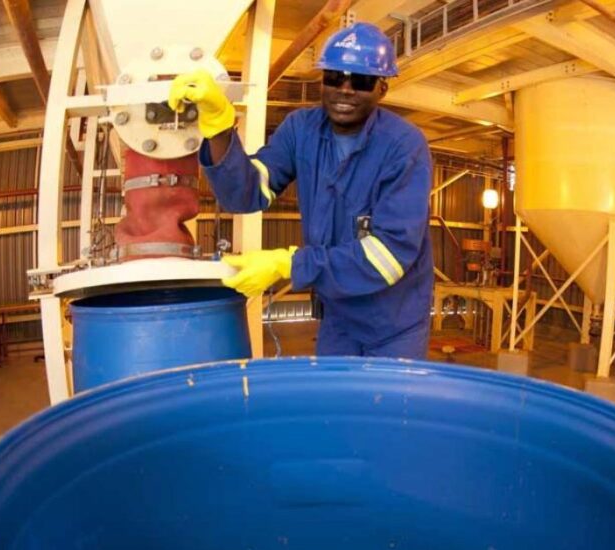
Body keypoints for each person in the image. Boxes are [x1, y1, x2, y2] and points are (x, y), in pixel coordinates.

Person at [168, 22, 434, 359]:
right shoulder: (301, 129)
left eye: (361, 81)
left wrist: (289, 264)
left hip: (395, 323)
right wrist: (219, 126)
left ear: (382, 88)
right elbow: (245, 193)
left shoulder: (404, 146)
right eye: (334, 77)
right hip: (338, 316)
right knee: (332, 394)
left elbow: (389, 257)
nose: (345, 89)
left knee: (385, 397)